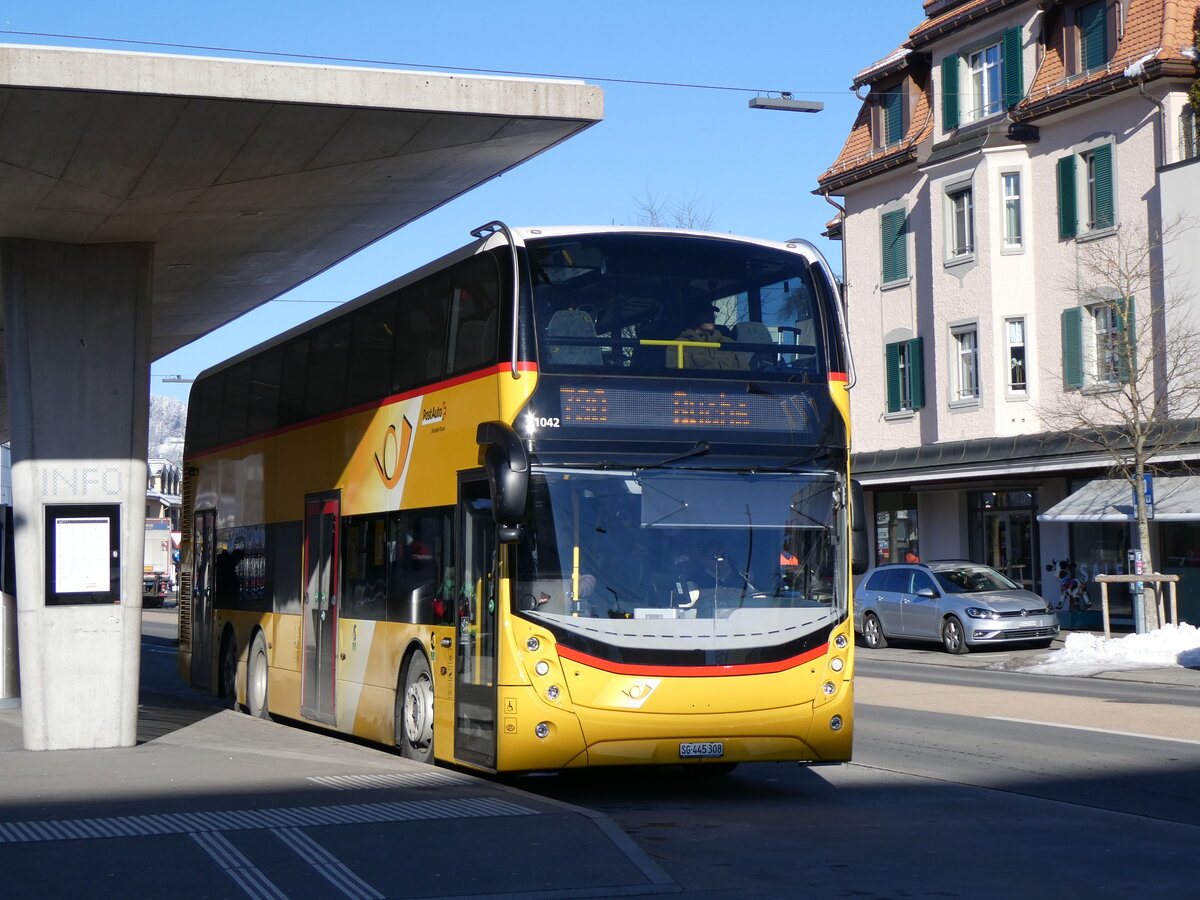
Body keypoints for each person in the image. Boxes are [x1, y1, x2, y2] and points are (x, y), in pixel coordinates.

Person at [667, 305, 741, 370]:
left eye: (711, 313)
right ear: (693, 316)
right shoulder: (677, 346)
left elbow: (744, 373)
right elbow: (674, 378)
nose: (709, 316)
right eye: (704, 313)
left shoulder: (729, 343)